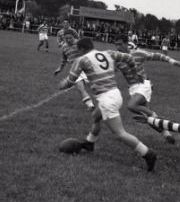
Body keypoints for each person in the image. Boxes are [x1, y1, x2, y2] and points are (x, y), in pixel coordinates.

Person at [58, 37, 157, 171]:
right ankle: (90, 142)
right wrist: (134, 71)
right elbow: (129, 58)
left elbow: (70, 81)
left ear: (82, 49)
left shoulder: (81, 60)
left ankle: (148, 154)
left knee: (120, 133)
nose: (77, 52)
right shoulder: (108, 53)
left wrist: (62, 85)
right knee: (96, 116)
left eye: (78, 50)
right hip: (115, 94)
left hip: (106, 99)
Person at [115, 34, 180, 144]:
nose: (118, 47)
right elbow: (110, 70)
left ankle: (154, 115)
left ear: (126, 43)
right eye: (116, 45)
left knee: (131, 105)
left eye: (120, 44)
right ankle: (166, 133)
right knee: (148, 118)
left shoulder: (137, 54)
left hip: (143, 84)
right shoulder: (117, 58)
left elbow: (156, 55)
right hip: (133, 88)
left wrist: (171, 61)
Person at [54, 30, 94, 110]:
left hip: (86, 68)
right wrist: (60, 68)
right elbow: (64, 59)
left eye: (70, 38)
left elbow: (90, 53)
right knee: (79, 86)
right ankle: (90, 105)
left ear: (74, 37)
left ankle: (103, 102)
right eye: (66, 38)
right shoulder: (64, 47)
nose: (68, 40)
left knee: (94, 87)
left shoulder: (80, 44)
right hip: (76, 70)